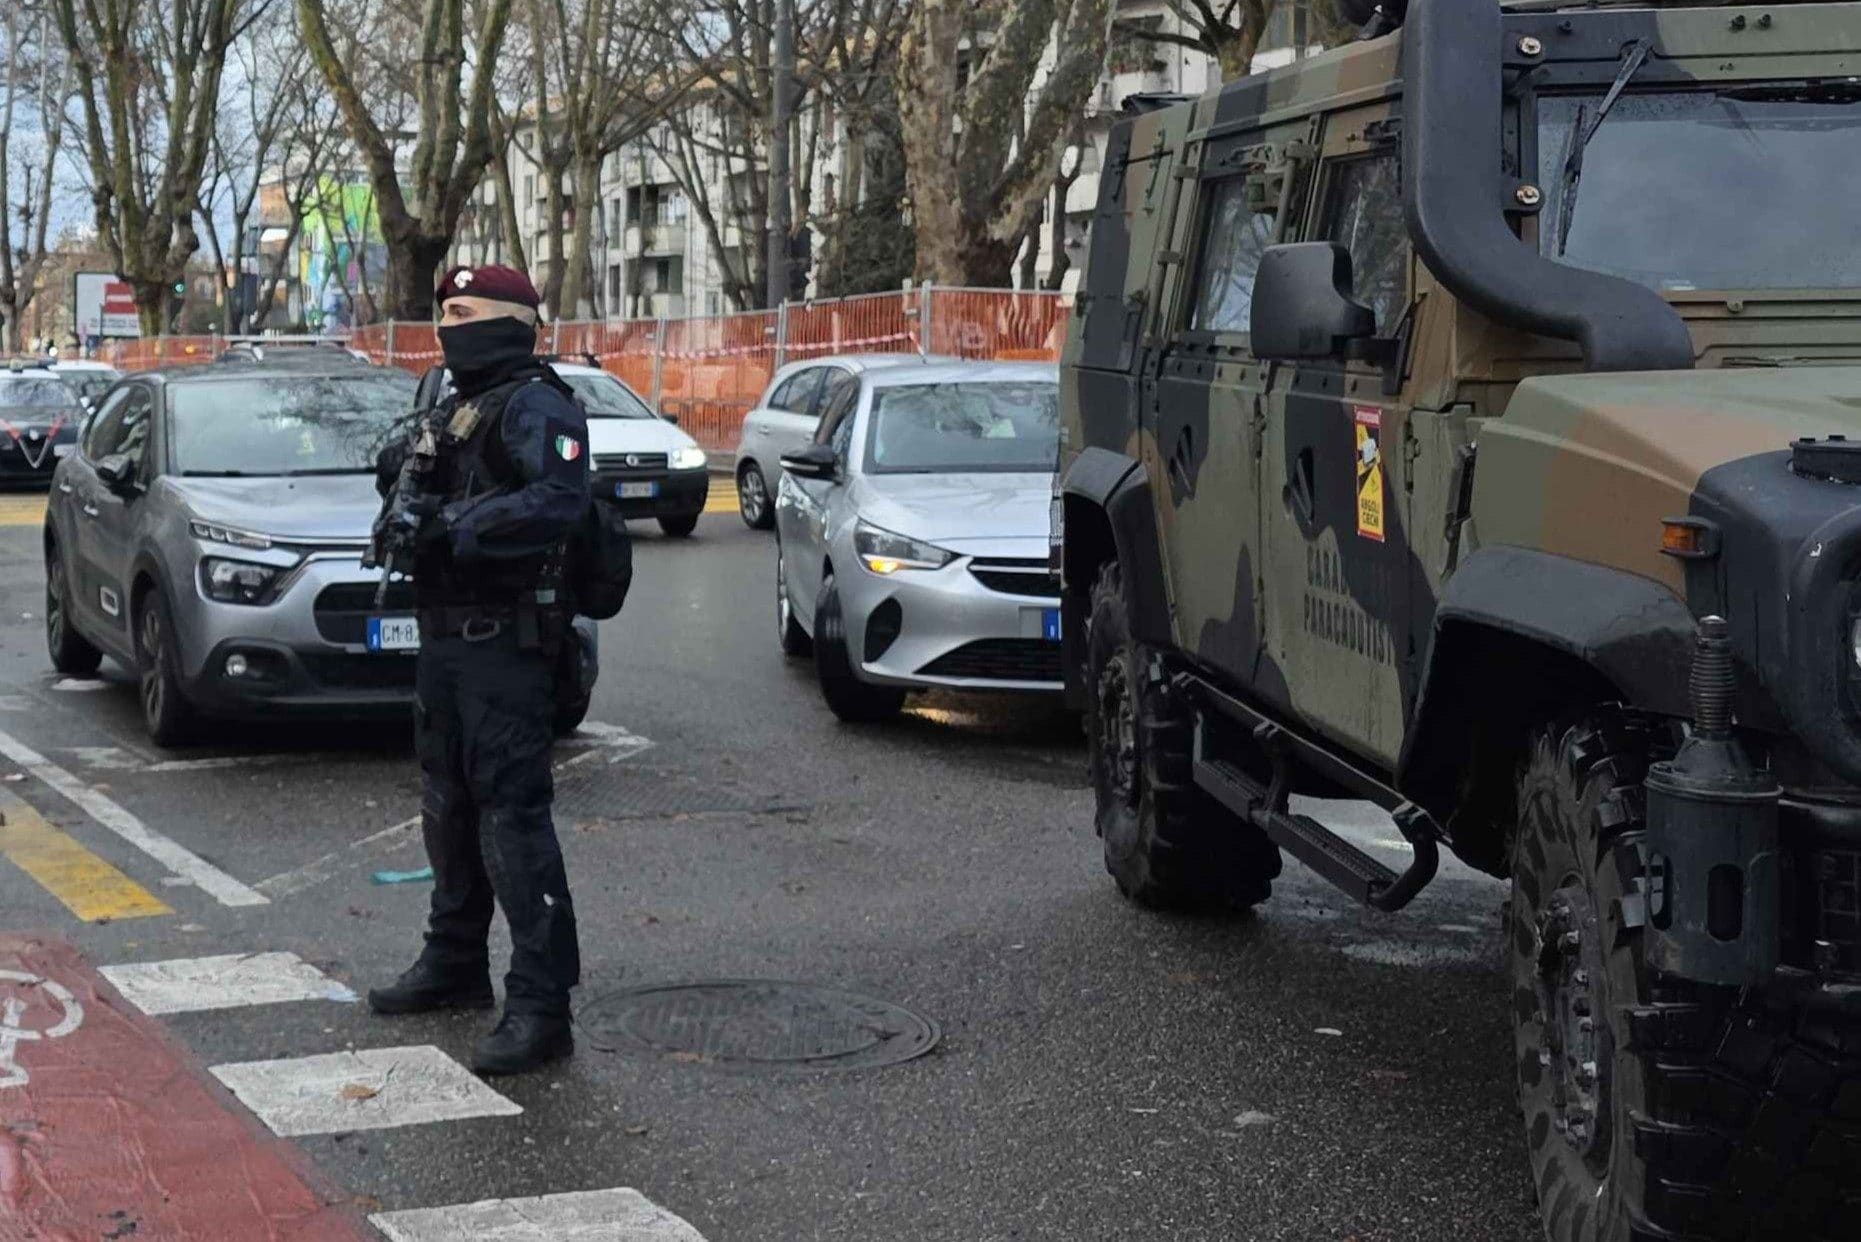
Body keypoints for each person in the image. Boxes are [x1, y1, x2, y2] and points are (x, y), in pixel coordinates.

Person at [367, 264, 590, 1075]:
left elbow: (558, 500)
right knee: (448, 807)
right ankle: (455, 959)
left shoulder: (536, 404)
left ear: (510, 321)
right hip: (447, 641)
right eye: (445, 314)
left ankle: (541, 1004)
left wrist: (453, 525)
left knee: (512, 819)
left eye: (463, 314)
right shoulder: (455, 401)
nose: (447, 329)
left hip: (506, 646)